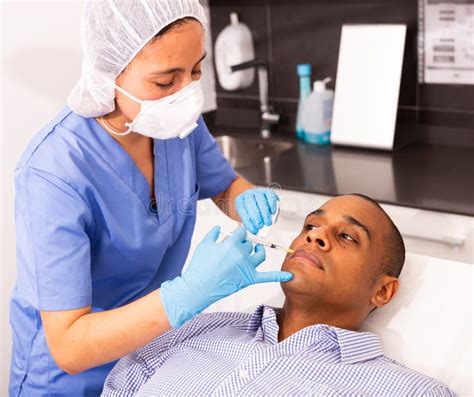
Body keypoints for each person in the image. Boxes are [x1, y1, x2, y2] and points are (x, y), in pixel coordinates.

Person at [9, 1, 293, 395]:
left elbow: (224, 187)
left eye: (196, 70)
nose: (187, 92)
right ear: (110, 74)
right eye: (165, 81)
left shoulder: (177, 124)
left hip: (152, 360)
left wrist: (245, 201)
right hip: (70, 382)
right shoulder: (54, 172)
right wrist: (189, 292)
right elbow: (69, 346)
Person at [101, 194, 456, 396]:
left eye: (347, 237)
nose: (315, 237)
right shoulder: (198, 327)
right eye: (311, 226)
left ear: (382, 290)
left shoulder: (409, 392)